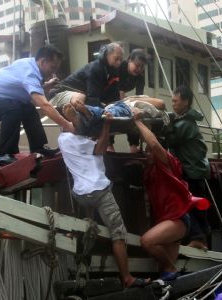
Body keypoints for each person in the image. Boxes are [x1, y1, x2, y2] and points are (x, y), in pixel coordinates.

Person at [57, 109, 148, 288]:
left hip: (81, 195)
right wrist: (106, 125)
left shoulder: (62, 140)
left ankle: (82, 263)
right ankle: (127, 278)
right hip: (98, 190)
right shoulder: (80, 141)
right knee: (118, 233)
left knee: (88, 224)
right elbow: (100, 149)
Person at [133, 111, 210, 281]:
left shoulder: (167, 163)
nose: (147, 154)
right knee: (165, 274)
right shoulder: (150, 170)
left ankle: (171, 267)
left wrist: (138, 122)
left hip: (178, 218)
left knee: (147, 242)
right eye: (145, 153)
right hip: (167, 219)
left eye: (149, 152)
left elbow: (153, 145)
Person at [0, 44, 74, 166]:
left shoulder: (28, 63)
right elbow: (45, 105)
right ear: (43, 61)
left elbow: (21, 86)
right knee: (13, 109)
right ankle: (5, 154)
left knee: (28, 108)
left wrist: (45, 86)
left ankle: (39, 148)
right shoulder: (30, 73)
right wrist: (67, 125)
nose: (54, 72)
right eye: (52, 67)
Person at [165, 85, 211, 250]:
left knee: (186, 204)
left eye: (176, 101)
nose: (173, 104)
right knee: (200, 207)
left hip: (191, 172)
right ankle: (205, 239)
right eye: (172, 101)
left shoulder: (185, 123)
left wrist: (165, 124)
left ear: (186, 102)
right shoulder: (187, 120)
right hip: (197, 171)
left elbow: (170, 139)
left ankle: (198, 238)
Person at [49, 42, 124, 108]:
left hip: (77, 96)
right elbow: (92, 99)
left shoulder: (112, 73)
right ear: (106, 55)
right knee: (80, 99)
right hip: (58, 95)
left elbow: (114, 97)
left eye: (121, 60)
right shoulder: (96, 68)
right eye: (116, 58)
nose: (118, 63)